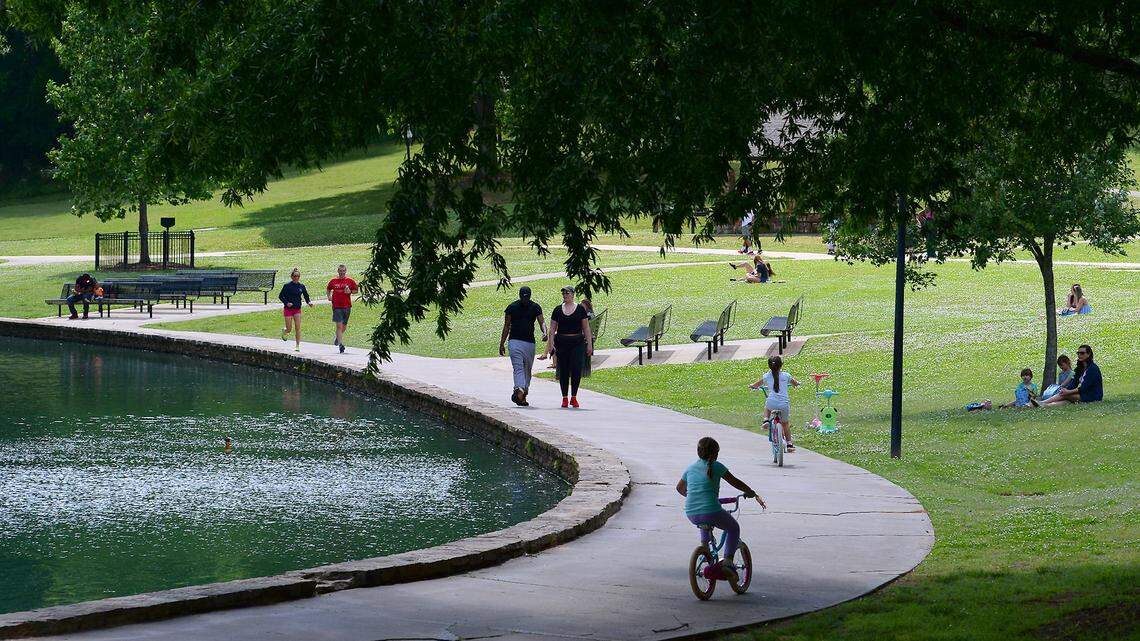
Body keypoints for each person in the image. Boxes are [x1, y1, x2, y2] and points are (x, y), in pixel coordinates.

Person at [676, 437, 766, 582]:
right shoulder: (717, 466)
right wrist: (750, 491)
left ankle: (704, 549)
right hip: (711, 510)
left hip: (691, 512)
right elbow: (734, 481)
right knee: (733, 528)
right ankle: (728, 563)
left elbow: (680, 488)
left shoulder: (690, 468)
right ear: (715, 454)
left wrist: (695, 495)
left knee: (704, 520)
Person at [538, 285, 593, 408]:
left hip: (577, 343)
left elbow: (586, 328)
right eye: (563, 293)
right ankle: (564, 397)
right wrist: (551, 345)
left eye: (567, 293)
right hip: (562, 342)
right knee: (563, 370)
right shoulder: (557, 310)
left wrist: (589, 344)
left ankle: (574, 397)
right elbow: (552, 329)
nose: (565, 295)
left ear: (573, 294)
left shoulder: (580, 309)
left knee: (576, 369)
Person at [499, 286, 547, 407]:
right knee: (519, 368)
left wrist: (545, 332)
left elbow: (542, 322)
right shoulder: (512, 307)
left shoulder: (534, 307)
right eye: (523, 297)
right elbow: (506, 326)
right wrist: (502, 343)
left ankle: (522, 394)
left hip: (527, 343)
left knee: (526, 370)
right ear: (521, 296)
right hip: (517, 342)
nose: (525, 299)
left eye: (526, 297)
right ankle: (519, 389)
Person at [750, 355, 800, 451]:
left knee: (767, 406)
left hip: (772, 403)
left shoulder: (766, 376)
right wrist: (796, 384)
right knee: (785, 424)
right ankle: (789, 444)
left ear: (769, 366)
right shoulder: (786, 375)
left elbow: (756, 385)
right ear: (781, 365)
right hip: (784, 404)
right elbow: (795, 383)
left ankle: (766, 420)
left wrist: (752, 386)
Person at [278, 268, 313, 352]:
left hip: (297, 309)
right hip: (288, 309)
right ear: (291, 277)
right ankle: (285, 331)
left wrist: (309, 302)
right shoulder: (287, 286)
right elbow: (280, 296)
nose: (296, 277)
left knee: (298, 328)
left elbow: (306, 295)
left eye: (298, 276)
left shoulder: (301, 286)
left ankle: (297, 346)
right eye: (295, 276)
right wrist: (286, 303)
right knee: (289, 328)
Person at [326, 264, 359, 354]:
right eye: (340, 271)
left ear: (345, 271)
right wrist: (329, 296)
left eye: (343, 271)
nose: (342, 273)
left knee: (344, 326)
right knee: (339, 326)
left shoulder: (350, 281)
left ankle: (338, 338)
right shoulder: (333, 281)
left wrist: (350, 291)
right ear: (338, 271)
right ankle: (341, 344)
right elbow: (328, 288)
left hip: (347, 306)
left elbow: (356, 290)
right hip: (336, 306)